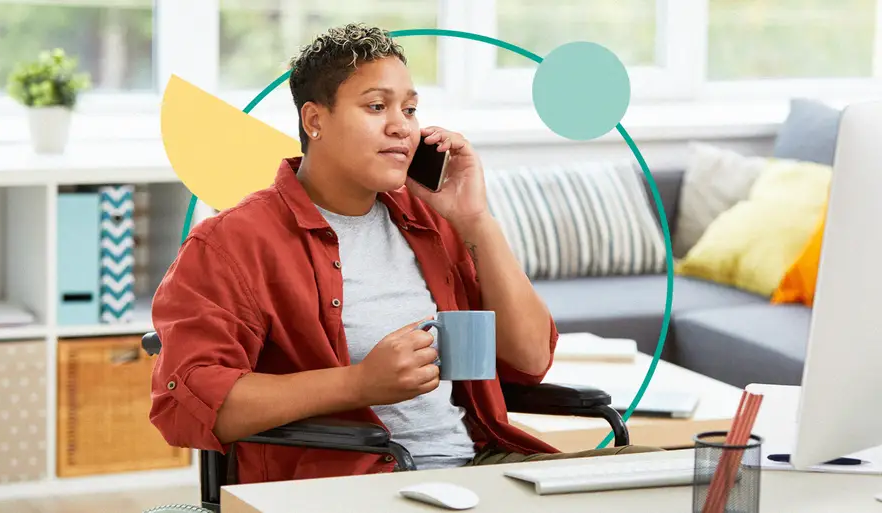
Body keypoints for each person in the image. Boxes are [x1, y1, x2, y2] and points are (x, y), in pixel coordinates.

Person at [148, 22, 659, 485]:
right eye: (377, 107)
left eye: (410, 109)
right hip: (354, 483)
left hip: (478, 468)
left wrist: (475, 219)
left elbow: (528, 358)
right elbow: (190, 402)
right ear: (314, 120)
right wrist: (359, 383)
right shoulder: (231, 243)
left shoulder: (427, 222)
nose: (402, 127)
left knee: (669, 483)